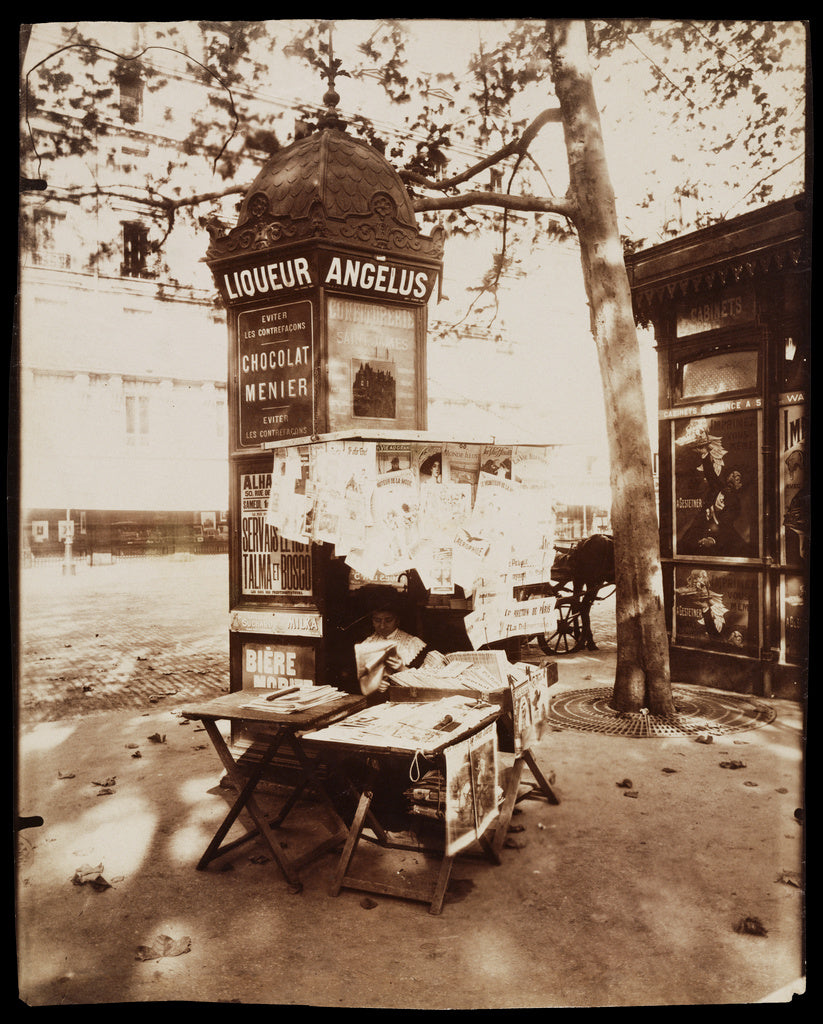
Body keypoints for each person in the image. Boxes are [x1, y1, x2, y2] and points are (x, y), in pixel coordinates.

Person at [357, 590, 446, 696]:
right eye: (377, 620)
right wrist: (374, 684)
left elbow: (424, 682)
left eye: (388, 620)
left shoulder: (413, 645)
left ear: (397, 620)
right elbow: (360, 680)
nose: (382, 625)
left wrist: (401, 668)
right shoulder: (366, 644)